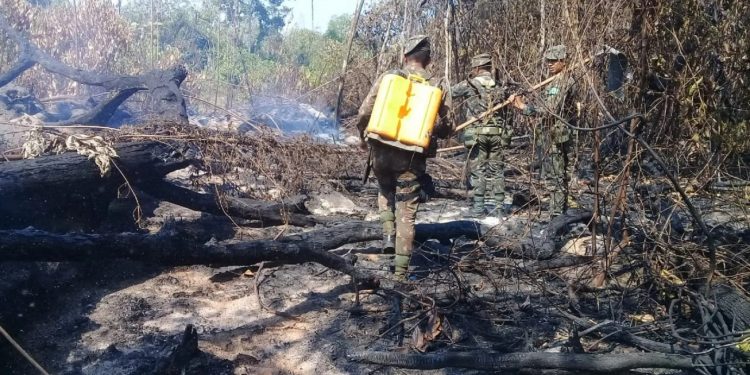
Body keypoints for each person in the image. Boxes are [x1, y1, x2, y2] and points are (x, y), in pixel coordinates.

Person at [356, 35, 451, 280]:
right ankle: (400, 274)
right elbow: (447, 127)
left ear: (405, 56)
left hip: (381, 153)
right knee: (406, 213)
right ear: (428, 60)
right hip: (411, 158)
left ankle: (388, 236)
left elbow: (364, 111)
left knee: (384, 191)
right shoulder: (437, 83)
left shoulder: (389, 78)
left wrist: (362, 137)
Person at [511, 44, 577, 217]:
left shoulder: (563, 81)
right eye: (548, 61)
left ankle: (557, 217)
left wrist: (523, 107)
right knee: (554, 176)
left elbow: (550, 110)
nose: (550, 64)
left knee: (555, 178)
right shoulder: (555, 81)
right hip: (551, 134)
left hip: (556, 136)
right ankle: (559, 214)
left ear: (563, 61)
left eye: (554, 61)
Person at [451, 53, 515, 218]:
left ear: (478, 68)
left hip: (477, 134)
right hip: (497, 135)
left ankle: (479, 208)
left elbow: (449, 94)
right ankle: (499, 208)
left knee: (478, 170)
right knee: (497, 170)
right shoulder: (500, 86)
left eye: (473, 68)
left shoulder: (468, 85)